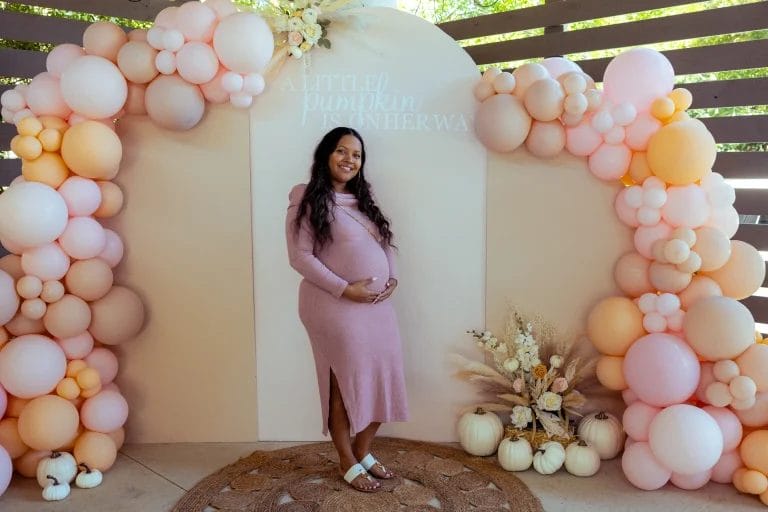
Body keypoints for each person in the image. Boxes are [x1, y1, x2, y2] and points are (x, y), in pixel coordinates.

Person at [285, 127, 409, 493]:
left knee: (386, 377)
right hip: (332, 306)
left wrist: (393, 278)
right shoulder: (306, 199)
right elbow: (299, 257)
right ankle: (345, 460)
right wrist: (345, 289)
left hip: (374, 308)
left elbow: (384, 244)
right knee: (342, 384)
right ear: (326, 155)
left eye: (356, 155)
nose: (349, 160)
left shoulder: (362, 201)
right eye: (341, 151)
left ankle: (362, 452)